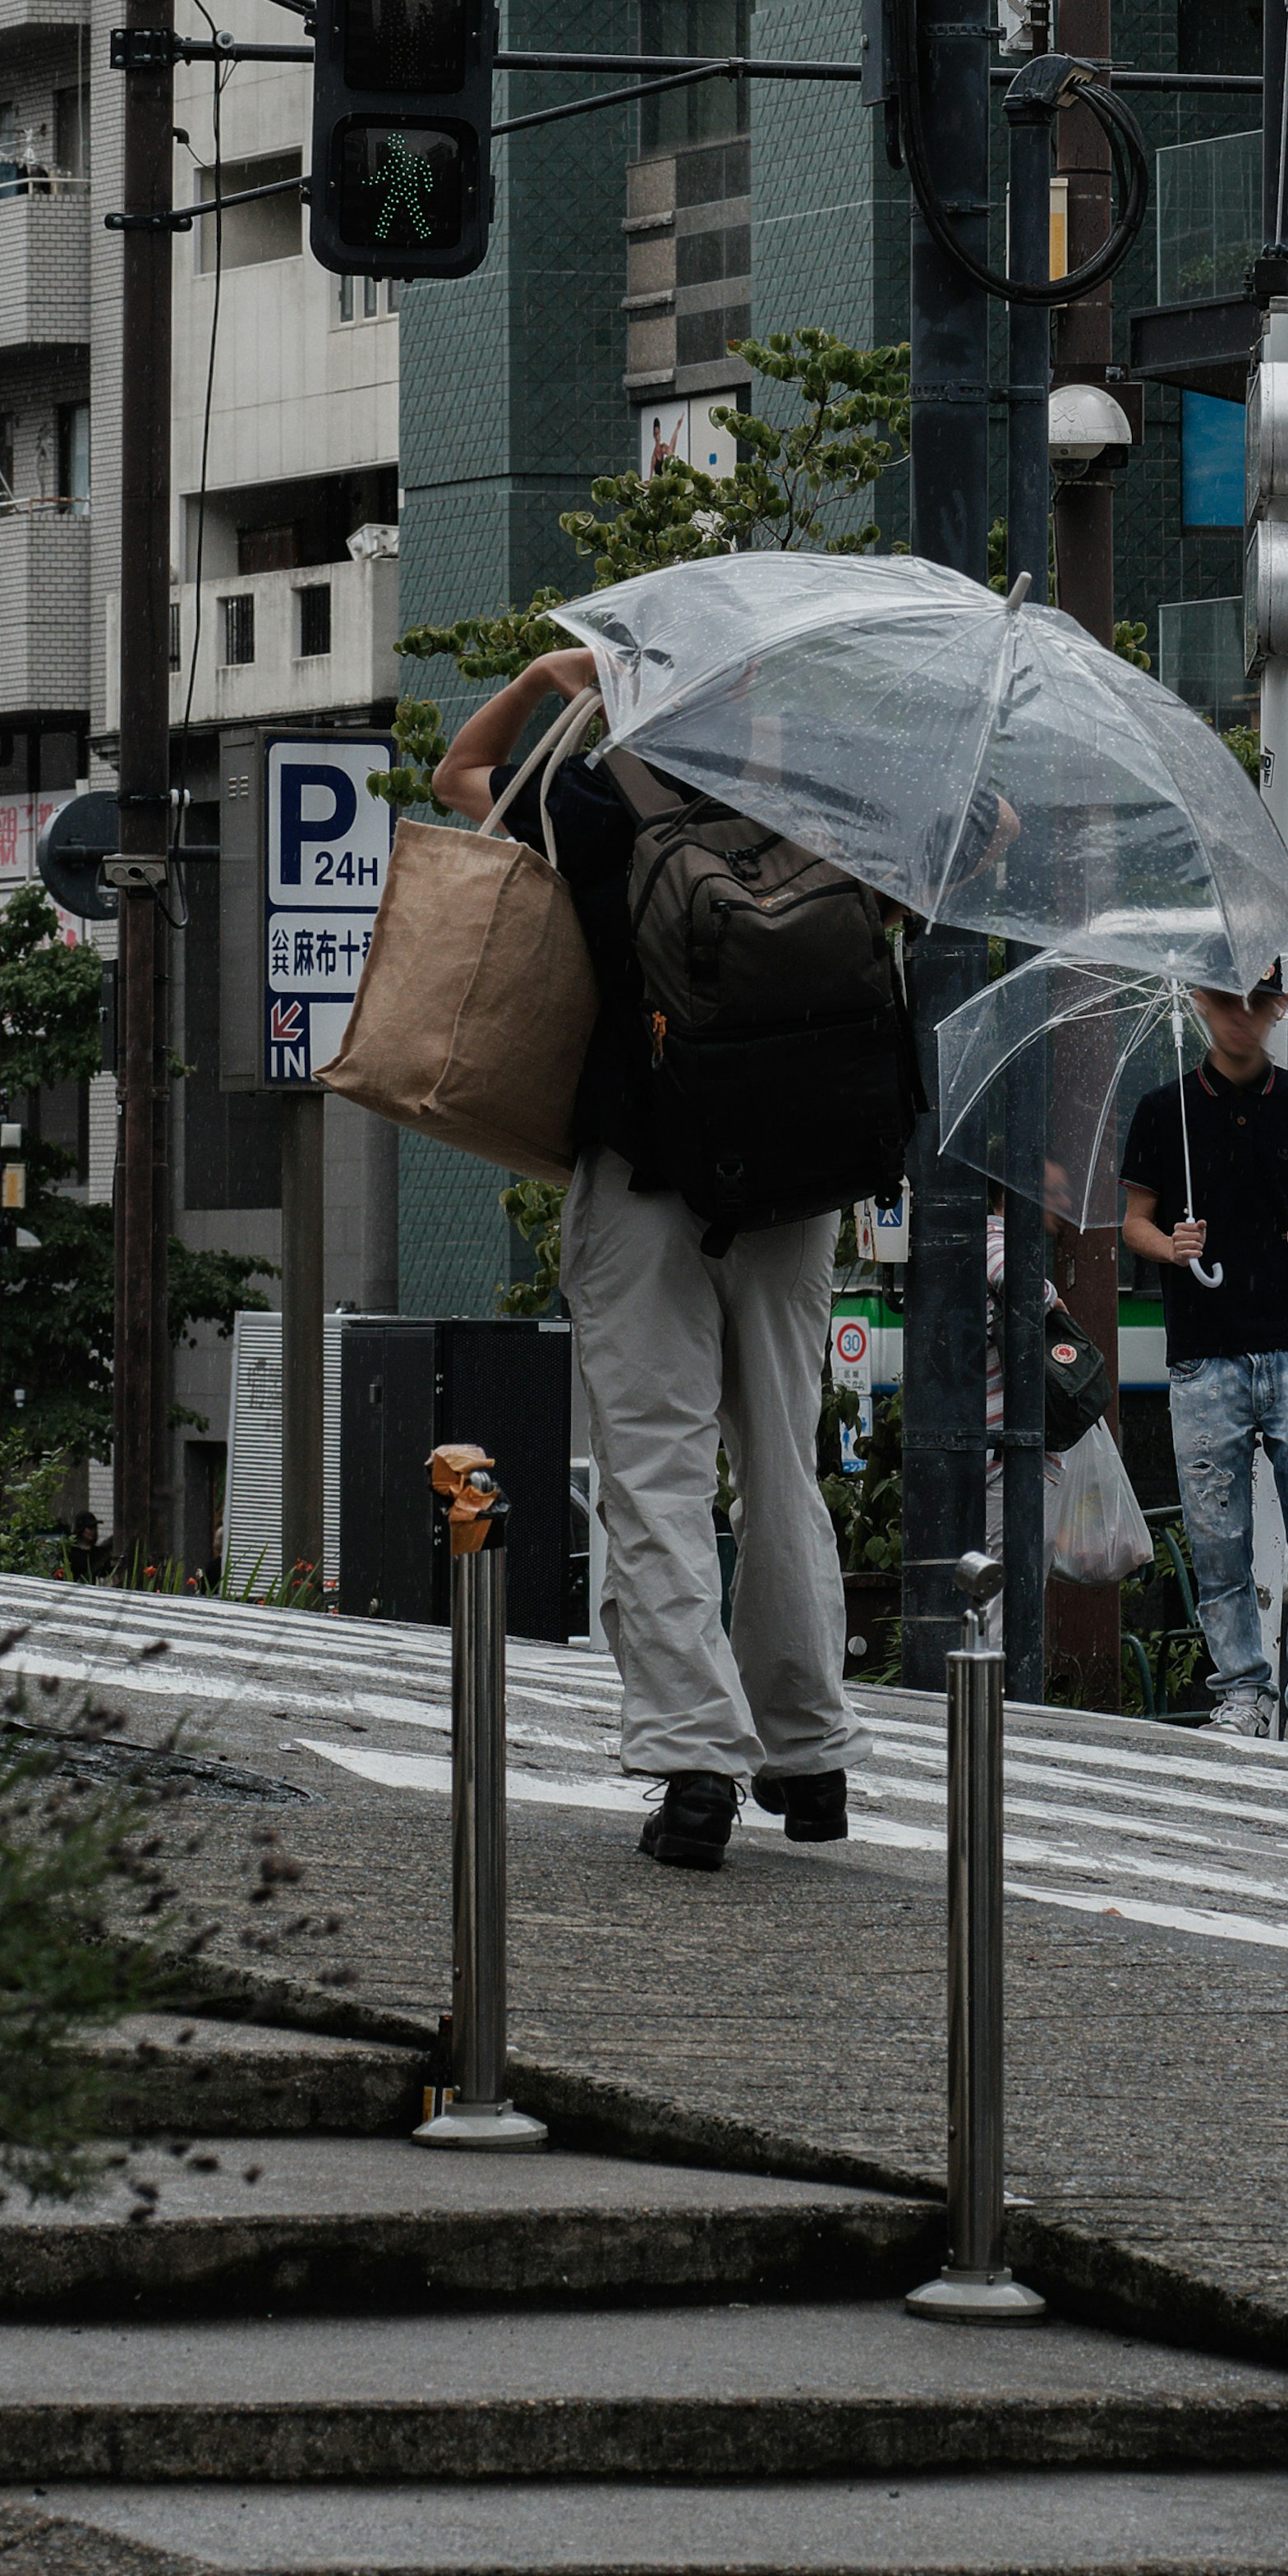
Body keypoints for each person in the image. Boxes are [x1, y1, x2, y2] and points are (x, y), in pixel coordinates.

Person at [434, 646, 853, 1869]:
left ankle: (696, 1764)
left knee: (655, 1473)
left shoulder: (599, 807)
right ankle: (810, 1754)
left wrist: (542, 685)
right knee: (784, 1459)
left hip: (647, 1180)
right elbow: (972, 841)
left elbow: (461, 773)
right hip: (795, 1188)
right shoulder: (830, 820)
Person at [1117, 976, 1288, 1746]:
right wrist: (1172, 1246)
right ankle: (1241, 1693)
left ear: (1278, 1007)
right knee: (1217, 1538)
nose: (1240, 1017)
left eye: (1257, 1001)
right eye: (1225, 1000)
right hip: (1203, 1354)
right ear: (1197, 1000)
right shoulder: (1164, 1111)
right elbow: (1134, 1223)